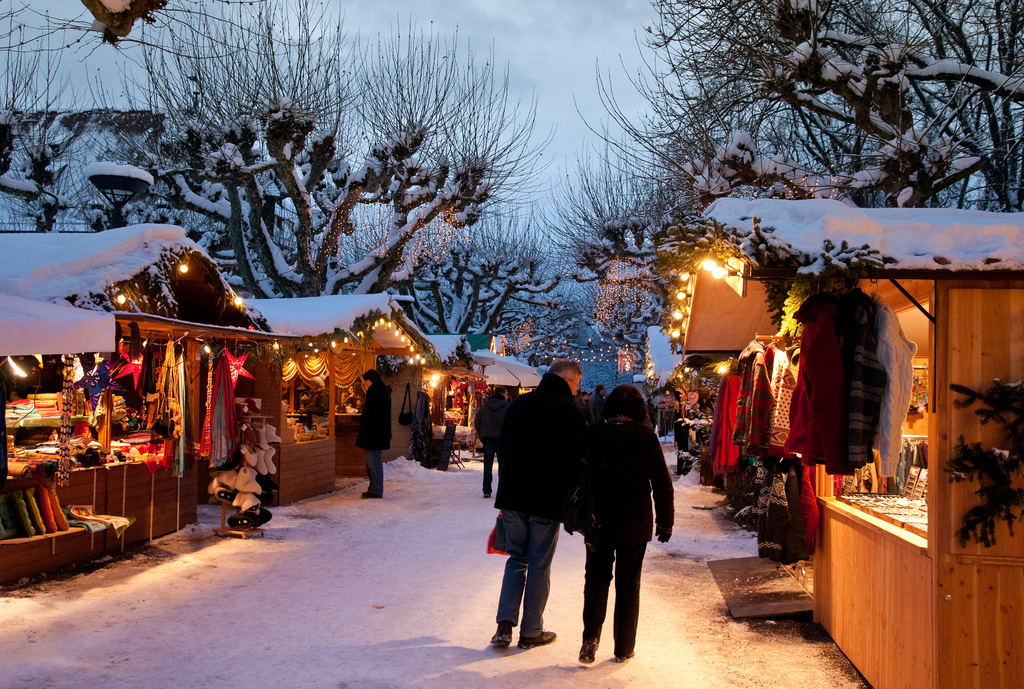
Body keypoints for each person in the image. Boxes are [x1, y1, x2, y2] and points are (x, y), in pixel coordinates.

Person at [490, 359, 586, 650]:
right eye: (577, 385)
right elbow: (577, 462)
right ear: (569, 380)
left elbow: (503, 450)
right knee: (539, 564)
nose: (577, 391)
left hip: (513, 496)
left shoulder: (519, 405)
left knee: (516, 559)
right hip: (546, 500)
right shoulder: (571, 413)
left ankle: (504, 626)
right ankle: (532, 630)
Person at [574, 384, 674, 664]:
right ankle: (624, 647)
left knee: (595, 579)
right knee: (629, 584)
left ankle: (590, 638)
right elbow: (662, 484)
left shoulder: (593, 434)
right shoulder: (646, 437)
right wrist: (665, 523)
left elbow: (576, 474)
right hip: (635, 521)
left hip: (598, 520)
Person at [355, 369, 391, 499]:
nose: (365, 384)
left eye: (366, 381)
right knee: (373, 462)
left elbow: (372, 415)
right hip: (377, 433)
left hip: (374, 434)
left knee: (373, 462)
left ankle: (375, 489)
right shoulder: (382, 392)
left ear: (371, 381)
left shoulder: (375, 392)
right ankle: (374, 488)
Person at [474, 386, 509, 499]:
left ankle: (487, 490)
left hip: (488, 439)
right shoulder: (507, 407)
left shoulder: (484, 406)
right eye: (507, 394)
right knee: (502, 466)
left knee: (487, 466)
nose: (508, 396)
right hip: (502, 440)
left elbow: (477, 422)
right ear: (502, 394)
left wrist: (482, 435)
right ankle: (502, 491)